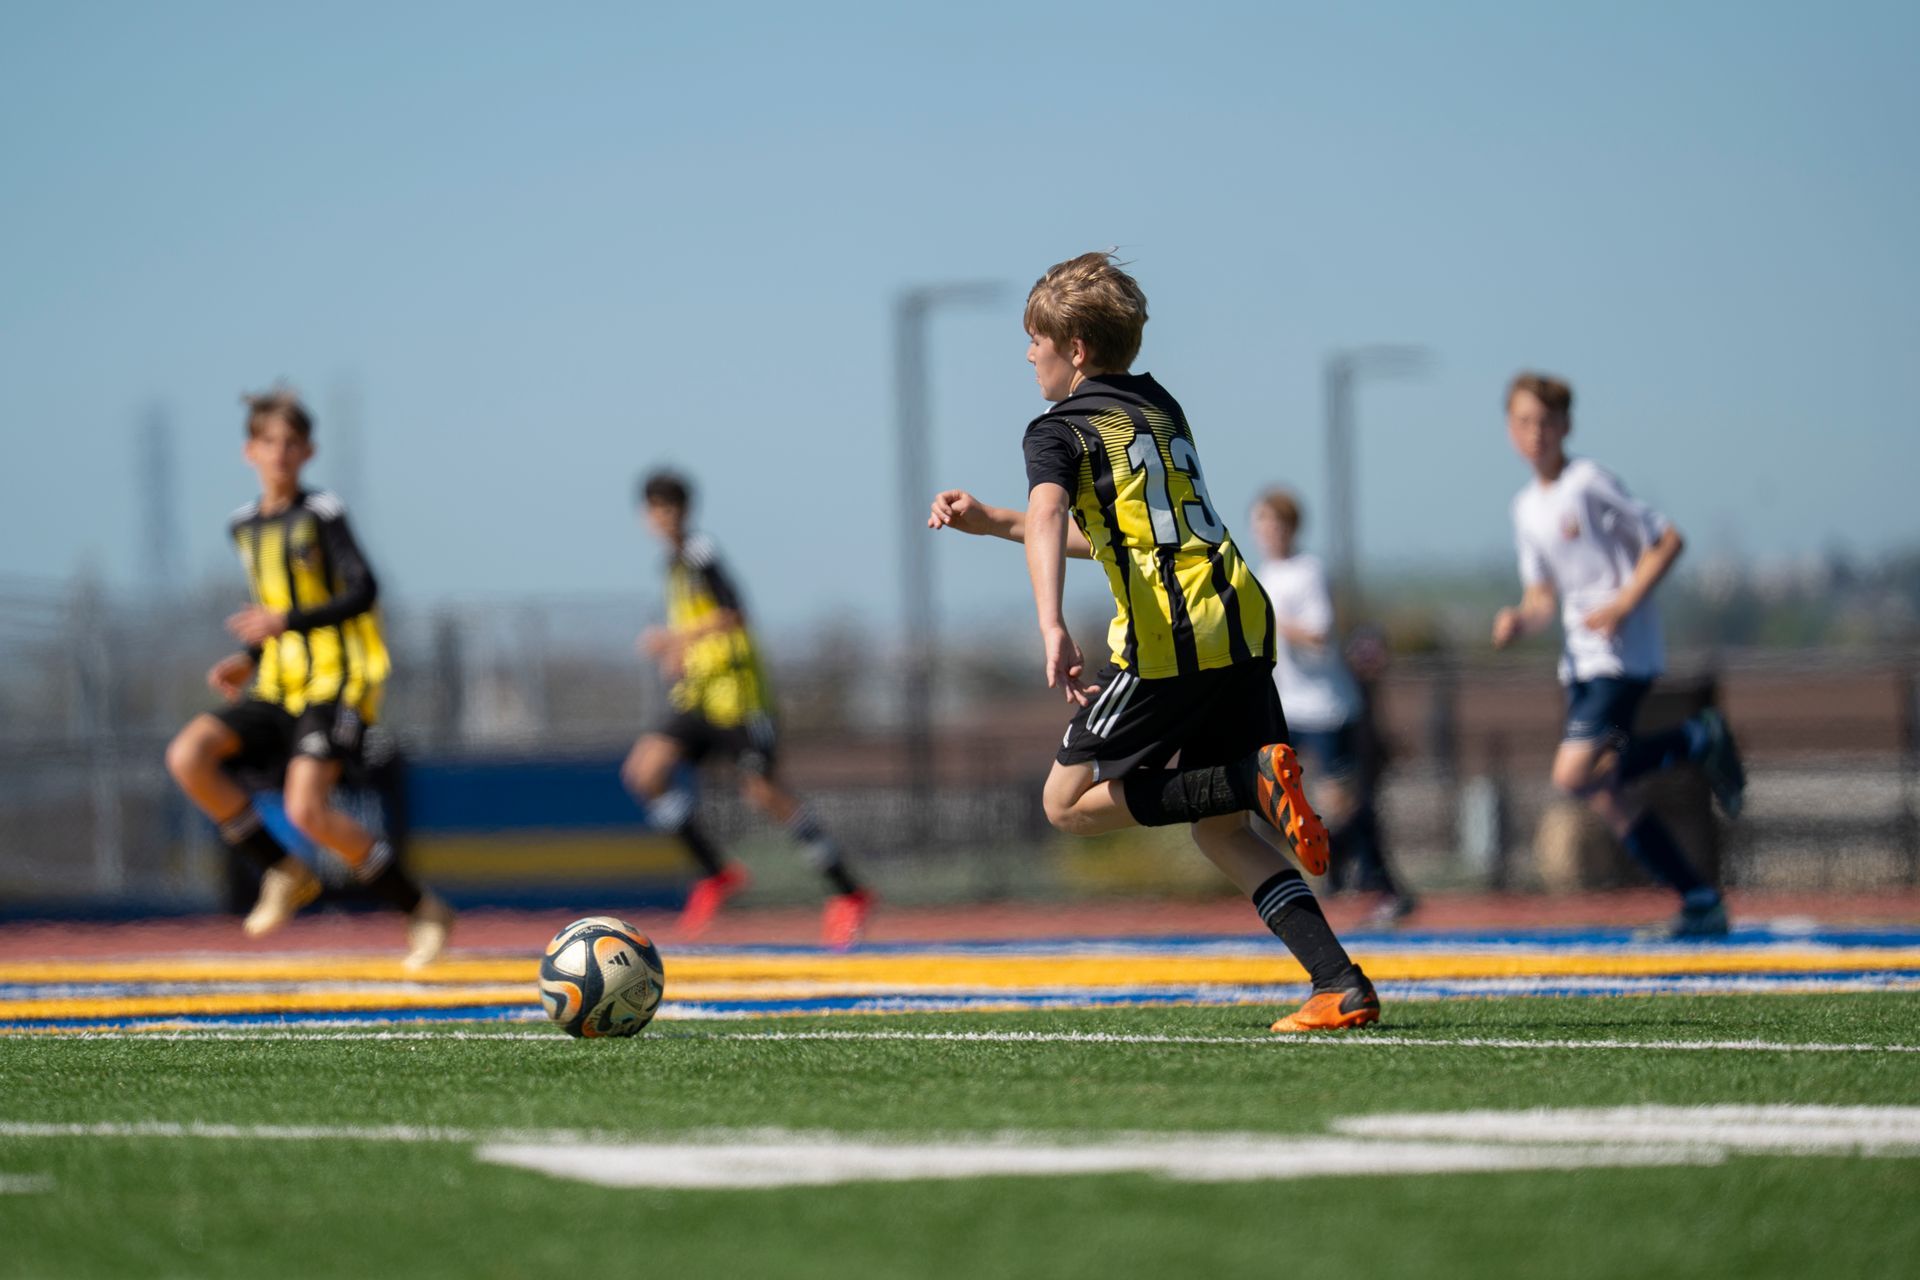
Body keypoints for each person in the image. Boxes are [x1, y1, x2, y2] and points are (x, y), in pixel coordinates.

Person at [928, 251, 1379, 1032]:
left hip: (1173, 637)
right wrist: (992, 521)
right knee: (1222, 832)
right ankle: (1339, 983)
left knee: (1065, 804)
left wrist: (1050, 622)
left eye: (1035, 337)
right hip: (1238, 614)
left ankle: (1244, 778)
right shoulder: (1156, 405)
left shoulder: (1056, 428)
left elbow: (1049, 516)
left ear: (1074, 349)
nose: (1027, 352)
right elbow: (1116, 530)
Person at [163, 389, 453, 968]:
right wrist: (250, 654)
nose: (281, 453)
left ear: (309, 451)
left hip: (336, 682)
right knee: (189, 756)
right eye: (270, 442)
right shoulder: (243, 527)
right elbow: (272, 605)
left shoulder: (323, 514)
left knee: (307, 810)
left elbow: (364, 590)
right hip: (276, 684)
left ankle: (422, 910)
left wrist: (284, 622)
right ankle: (284, 870)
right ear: (249, 451)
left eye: (292, 443)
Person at [1492, 372, 1746, 938]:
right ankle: (1701, 900)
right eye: (1525, 423)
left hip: (1621, 652)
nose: (1536, 434)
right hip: (1579, 661)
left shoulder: (1587, 482)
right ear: (1511, 430)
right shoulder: (1524, 508)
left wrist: (1625, 602)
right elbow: (1541, 596)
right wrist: (1519, 620)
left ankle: (1697, 737)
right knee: (1611, 796)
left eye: (1546, 422)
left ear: (1566, 426)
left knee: (1574, 775)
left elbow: (1669, 539)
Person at [623, 471, 874, 948]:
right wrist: (682, 657)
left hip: (738, 698)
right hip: (700, 697)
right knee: (644, 772)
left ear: (685, 511)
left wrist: (675, 639)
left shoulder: (700, 553)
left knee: (765, 794)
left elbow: (733, 612)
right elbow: (702, 623)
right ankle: (716, 872)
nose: (663, 518)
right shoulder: (672, 565)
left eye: (671, 508)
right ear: (646, 515)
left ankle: (849, 890)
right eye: (656, 508)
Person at [1247, 490, 1417, 924]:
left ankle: (1381, 884)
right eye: (1261, 522)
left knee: (1346, 804)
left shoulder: (1308, 572)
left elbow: (1321, 634)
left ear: (1291, 528)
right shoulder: (1261, 573)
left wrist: (1272, 621)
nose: (1267, 531)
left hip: (1327, 707)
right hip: (1287, 707)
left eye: (1274, 523)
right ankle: (1329, 871)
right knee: (1269, 794)